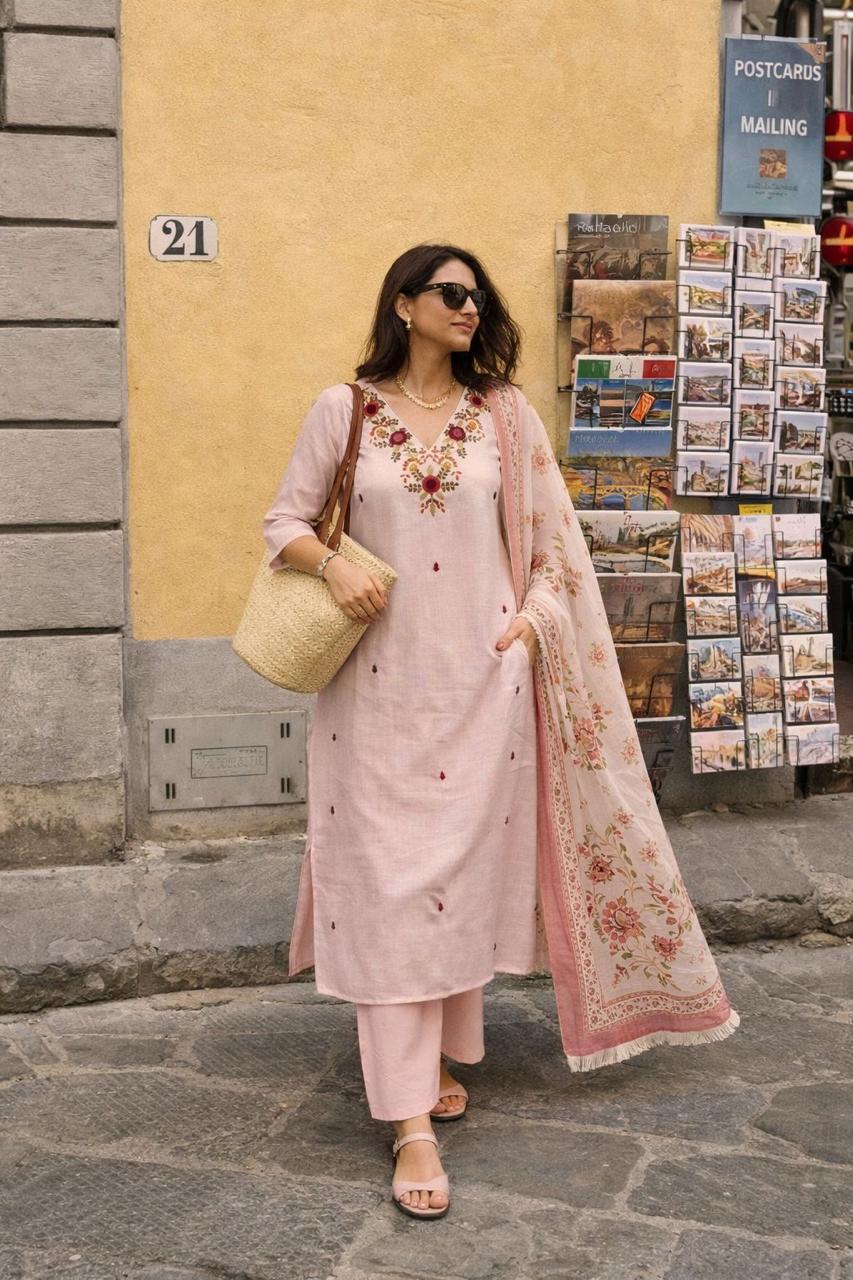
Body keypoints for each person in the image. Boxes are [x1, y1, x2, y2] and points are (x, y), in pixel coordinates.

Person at [261, 243, 740, 1221]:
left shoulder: (504, 416)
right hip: (375, 698)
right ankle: (408, 1122)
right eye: (450, 294)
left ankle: (433, 1057)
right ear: (403, 302)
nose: (468, 308)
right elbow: (283, 521)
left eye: (477, 296)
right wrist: (327, 565)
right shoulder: (343, 409)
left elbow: (553, 550)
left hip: (482, 689)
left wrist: (530, 623)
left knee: (453, 884)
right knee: (391, 887)